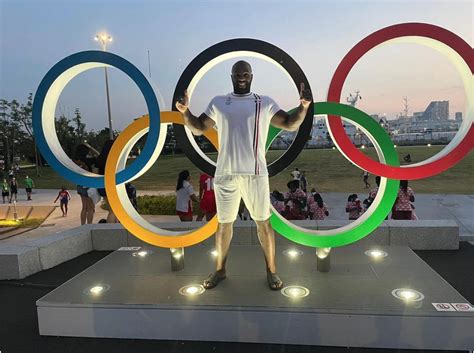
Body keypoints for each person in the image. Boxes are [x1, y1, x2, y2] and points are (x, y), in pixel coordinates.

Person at [176, 60, 312, 290]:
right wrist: (184, 111)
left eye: (245, 73)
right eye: (238, 73)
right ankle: (220, 270)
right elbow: (199, 127)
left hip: (255, 173)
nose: (241, 77)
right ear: (231, 76)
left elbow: (289, 124)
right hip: (225, 174)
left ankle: (272, 272)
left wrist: (304, 107)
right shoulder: (219, 103)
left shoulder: (263, 102)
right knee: (223, 225)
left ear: (252, 76)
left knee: (264, 224)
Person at [74, 144, 96, 225]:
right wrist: (91, 148)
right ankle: (89, 225)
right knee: (91, 208)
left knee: (84, 208)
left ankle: (82, 225)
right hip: (88, 185)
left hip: (80, 184)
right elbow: (98, 156)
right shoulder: (87, 160)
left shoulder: (74, 161)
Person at [96, 140, 117, 223]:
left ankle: (113, 228)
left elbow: (95, 174)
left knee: (112, 209)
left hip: (102, 186)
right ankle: (111, 230)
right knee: (113, 210)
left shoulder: (100, 160)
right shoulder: (113, 159)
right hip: (111, 186)